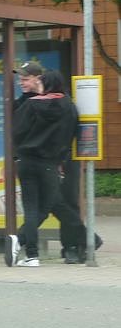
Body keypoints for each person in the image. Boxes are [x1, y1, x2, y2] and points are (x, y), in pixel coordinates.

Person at [9, 62, 102, 265]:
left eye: (26, 79)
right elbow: (70, 132)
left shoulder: (30, 104)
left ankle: (29, 248)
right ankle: (87, 240)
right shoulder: (66, 105)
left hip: (37, 161)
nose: (21, 82)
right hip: (53, 161)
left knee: (47, 205)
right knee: (53, 205)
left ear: (39, 79)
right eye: (20, 79)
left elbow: (16, 131)